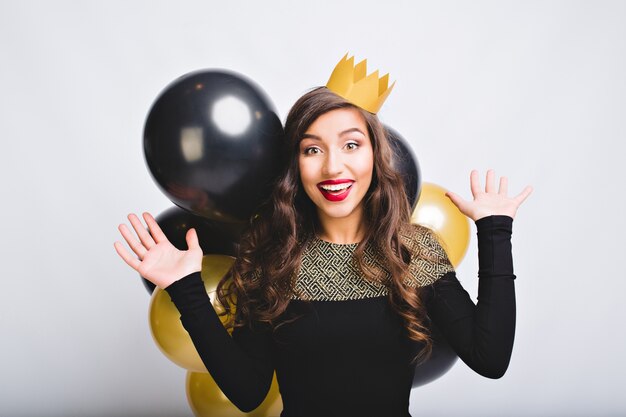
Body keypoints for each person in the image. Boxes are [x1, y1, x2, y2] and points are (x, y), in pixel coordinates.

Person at [114, 57, 532, 417]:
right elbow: (248, 393)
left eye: (351, 145)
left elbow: (489, 359)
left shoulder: (413, 250)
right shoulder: (271, 258)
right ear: (296, 165)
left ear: (375, 154)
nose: (334, 167)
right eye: (312, 149)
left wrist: (495, 231)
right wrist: (186, 291)